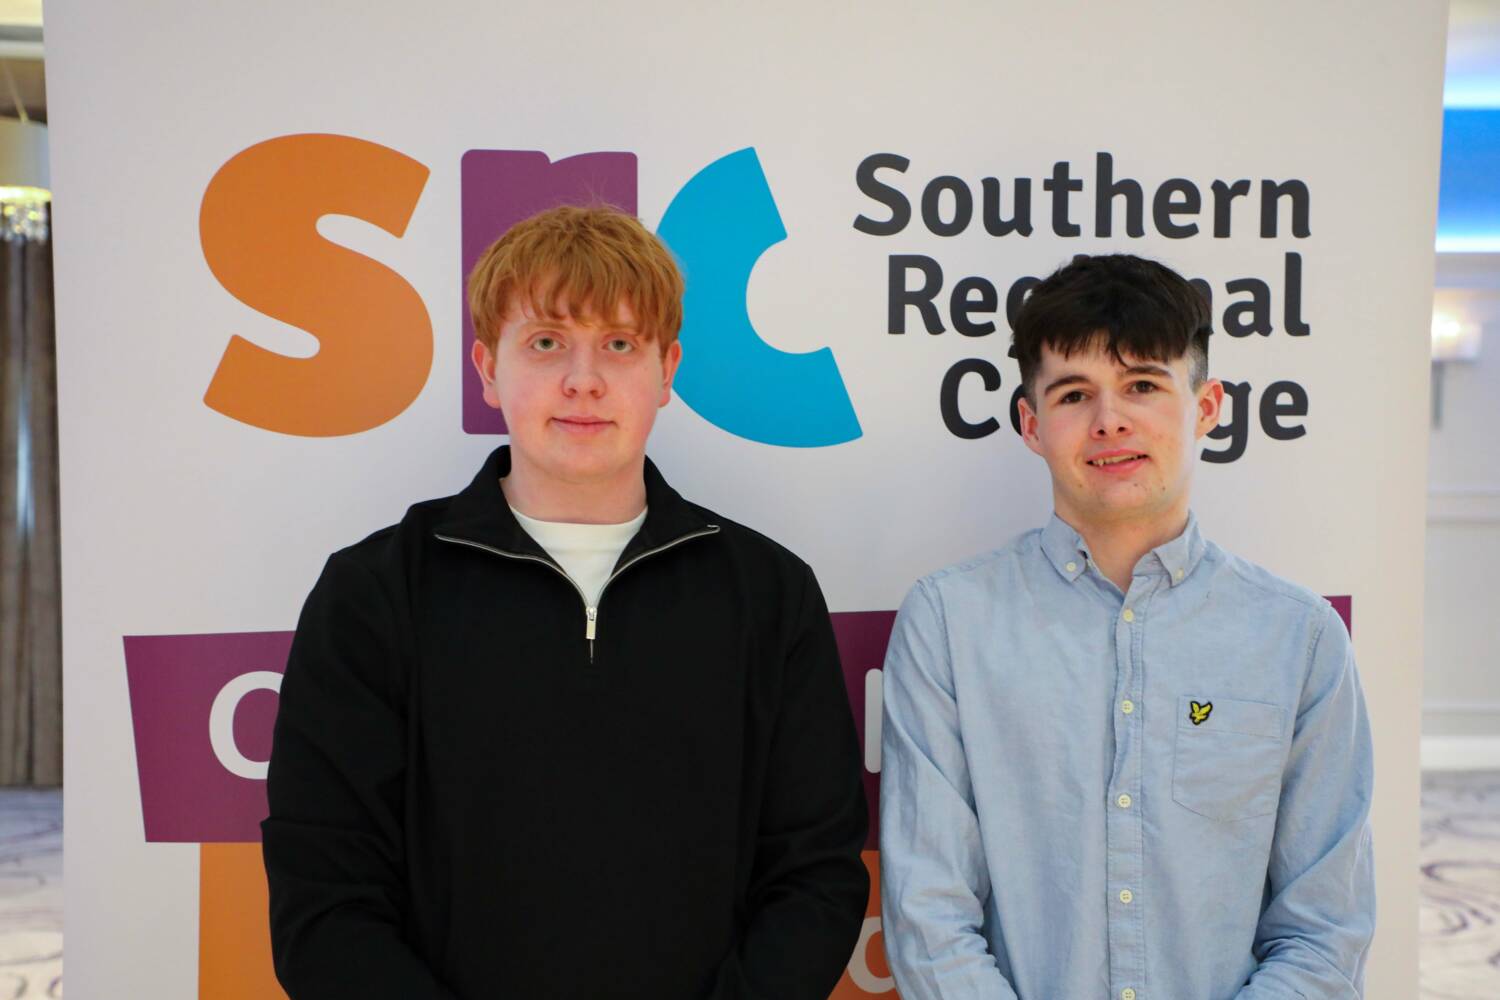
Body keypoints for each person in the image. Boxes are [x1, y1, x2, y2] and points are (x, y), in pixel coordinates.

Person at [262, 204, 869, 999]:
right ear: (487, 368)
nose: (584, 379)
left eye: (619, 344)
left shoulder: (768, 594)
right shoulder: (374, 593)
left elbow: (815, 877)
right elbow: (325, 898)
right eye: (547, 342)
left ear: (667, 370)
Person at [879, 254, 1374, 1000]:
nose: (1109, 419)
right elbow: (929, 921)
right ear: (1031, 424)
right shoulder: (949, 623)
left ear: (1206, 407)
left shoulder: (1299, 639)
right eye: (1074, 394)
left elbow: (1324, 934)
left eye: (1143, 385)